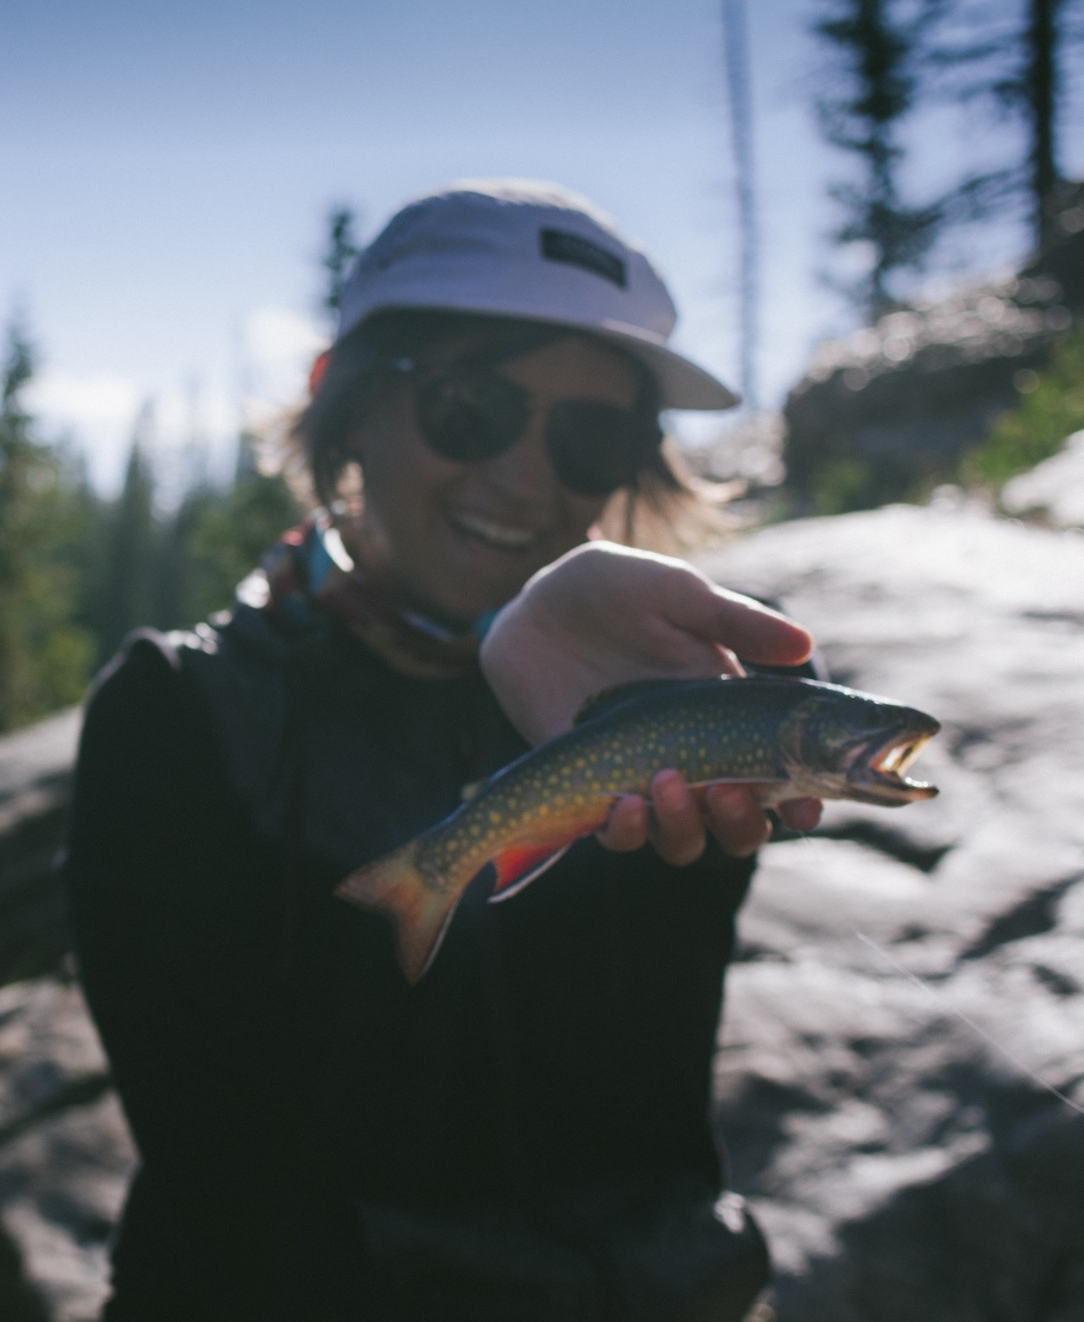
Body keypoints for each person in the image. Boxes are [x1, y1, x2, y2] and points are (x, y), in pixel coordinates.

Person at [63, 181, 822, 1321]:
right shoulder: (176, 710)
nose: (522, 478)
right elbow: (223, 1161)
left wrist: (750, 710)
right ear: (345, 400)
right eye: (470, 407)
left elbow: (630, 1112)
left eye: (590, 434)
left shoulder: (643, 698)